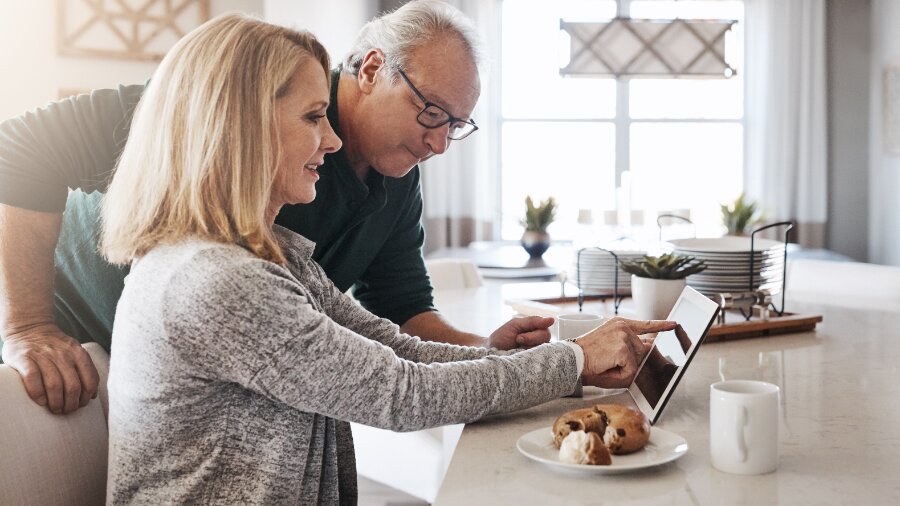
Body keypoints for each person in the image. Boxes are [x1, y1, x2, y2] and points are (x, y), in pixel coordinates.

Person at [99, 13, 675, 503]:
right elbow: (402, 395)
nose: (330, 139)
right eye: (310, 118)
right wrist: (571, 360)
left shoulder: (272, 255)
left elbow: (397, 349)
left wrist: (552, 359)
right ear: (236, 126)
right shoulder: (217, 280)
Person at [0, 0, 552, 415]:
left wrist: (488, 353)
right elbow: (16, 150)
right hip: (84, 345)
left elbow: (400, 311)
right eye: (432, 112)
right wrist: (27, 325)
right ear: (370, 69)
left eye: (456, 126)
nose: (439, 143)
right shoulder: (218, 103)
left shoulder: (392, 175)